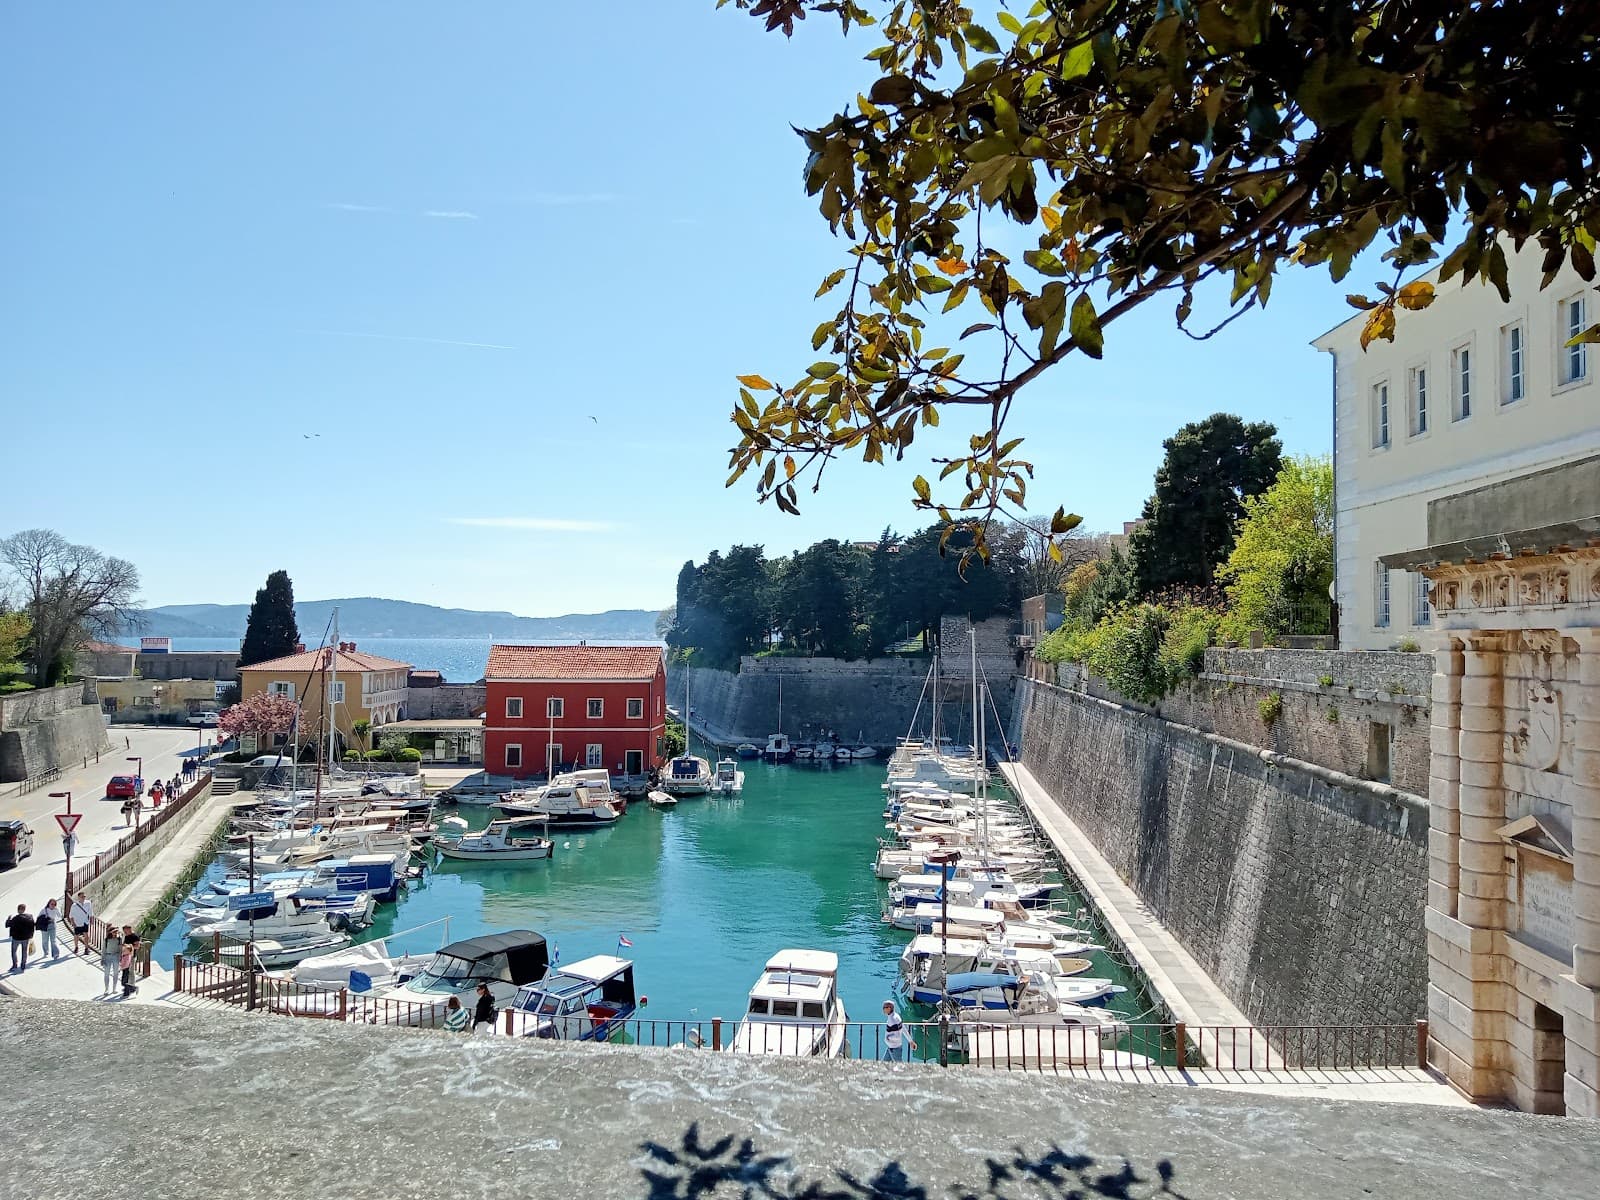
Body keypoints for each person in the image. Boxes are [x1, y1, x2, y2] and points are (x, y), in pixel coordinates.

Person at [5, 905, 34, 974]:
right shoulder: (30, 917)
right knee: (24, 952)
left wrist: (8, 919)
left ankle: (15, 965)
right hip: (25, 938)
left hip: (16, 938)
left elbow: (7, 925)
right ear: (24, 909)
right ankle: (23, 965)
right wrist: (31, 935)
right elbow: (32, 927)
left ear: (18, 910)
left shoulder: (15, 918)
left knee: (14, 951)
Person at [100, 925, 123, 996]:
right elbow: (103, 950)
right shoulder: (106, 940)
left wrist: (120, 958)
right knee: (106, 973)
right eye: (114, 932)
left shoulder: (119, 939)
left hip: (116, 956)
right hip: (108, 956)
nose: (115, 933)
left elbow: (120, 949)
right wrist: (102, 959)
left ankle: (114, 988)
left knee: (116, 973)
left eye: (116, 932)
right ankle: (106, 989)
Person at [119, 925, 141, 998]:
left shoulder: (135, 936)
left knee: (130, 972)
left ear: (129, 929)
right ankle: (129, 987)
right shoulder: (126, 936)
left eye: (126, 931)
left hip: (131, 956)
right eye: (124, 931)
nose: (125, 933)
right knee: (126, 972)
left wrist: (129, 947)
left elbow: (137, 946)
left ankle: (131, 986)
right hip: (126, 956)